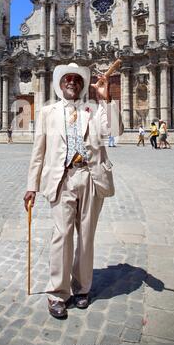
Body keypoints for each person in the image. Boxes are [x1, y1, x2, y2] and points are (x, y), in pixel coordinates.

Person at [23, 62, 124, 319]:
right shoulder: (48, 112)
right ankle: (58, 292)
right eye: (67, 78)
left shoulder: (94, 109)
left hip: (90, 177)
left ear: (81, 85)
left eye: (76, 79)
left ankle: (82, 288)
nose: (72, 82)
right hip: (62, 179)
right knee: (62, 235)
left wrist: (106, 99)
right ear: (60, 83)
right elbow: (38, 152)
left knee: (86, 236)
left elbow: (114, 131)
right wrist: (31, 186)